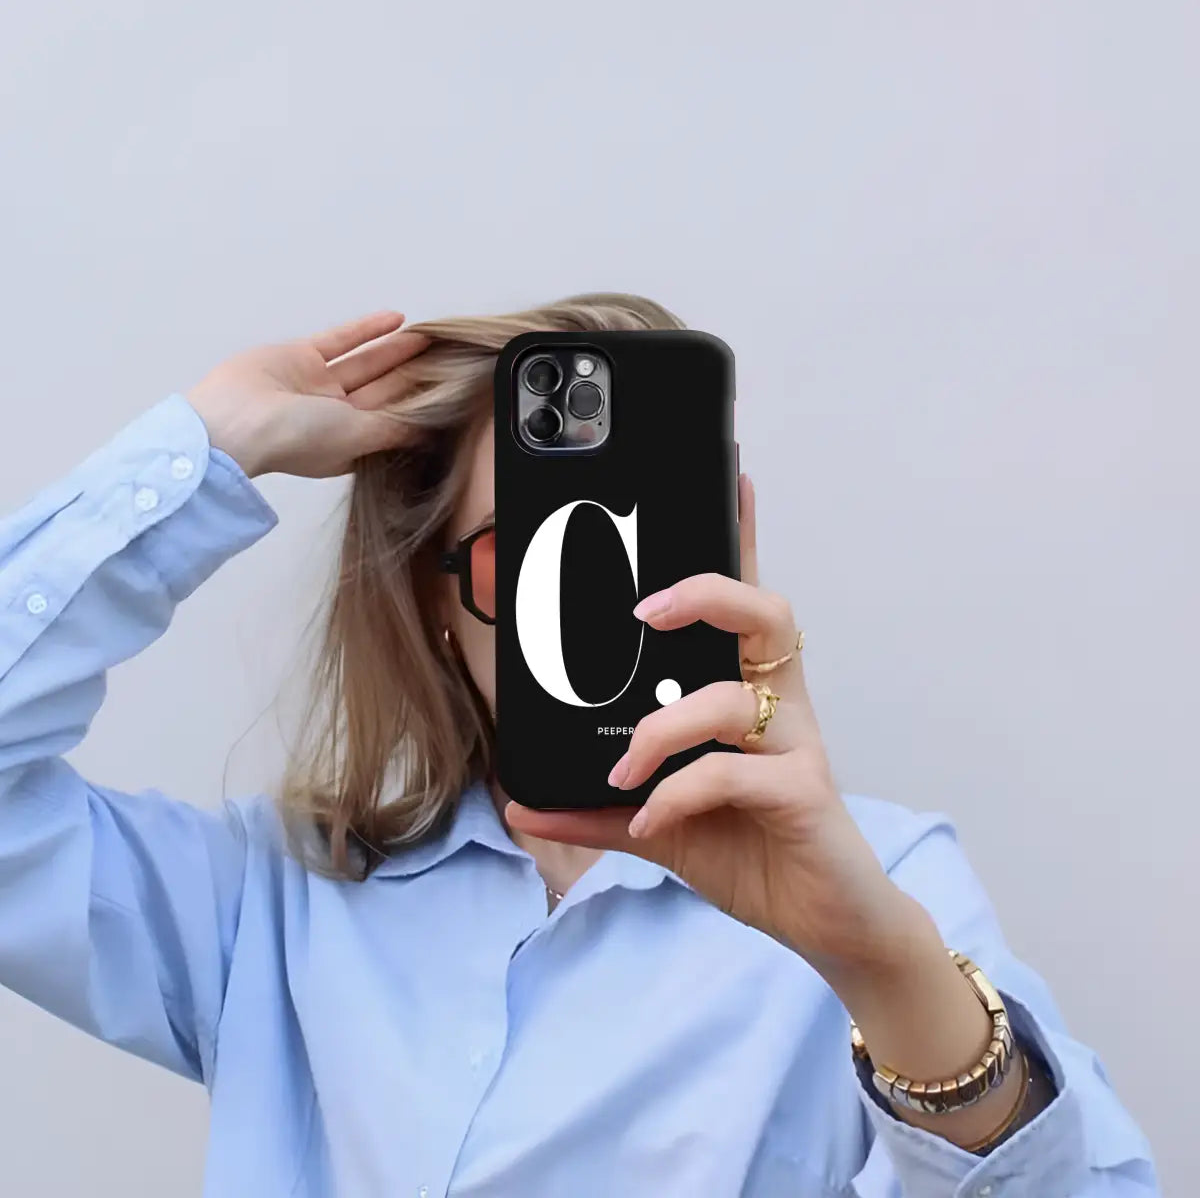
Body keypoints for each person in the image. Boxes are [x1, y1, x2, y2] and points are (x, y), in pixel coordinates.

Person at [0, 294, 1158, 1197]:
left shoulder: (885, 884)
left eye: (648, 546)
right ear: (434, 600)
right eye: (527, 555)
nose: (595, 605)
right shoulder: (275, 904)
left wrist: (885, 972)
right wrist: (209, 448)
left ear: (731, 548)